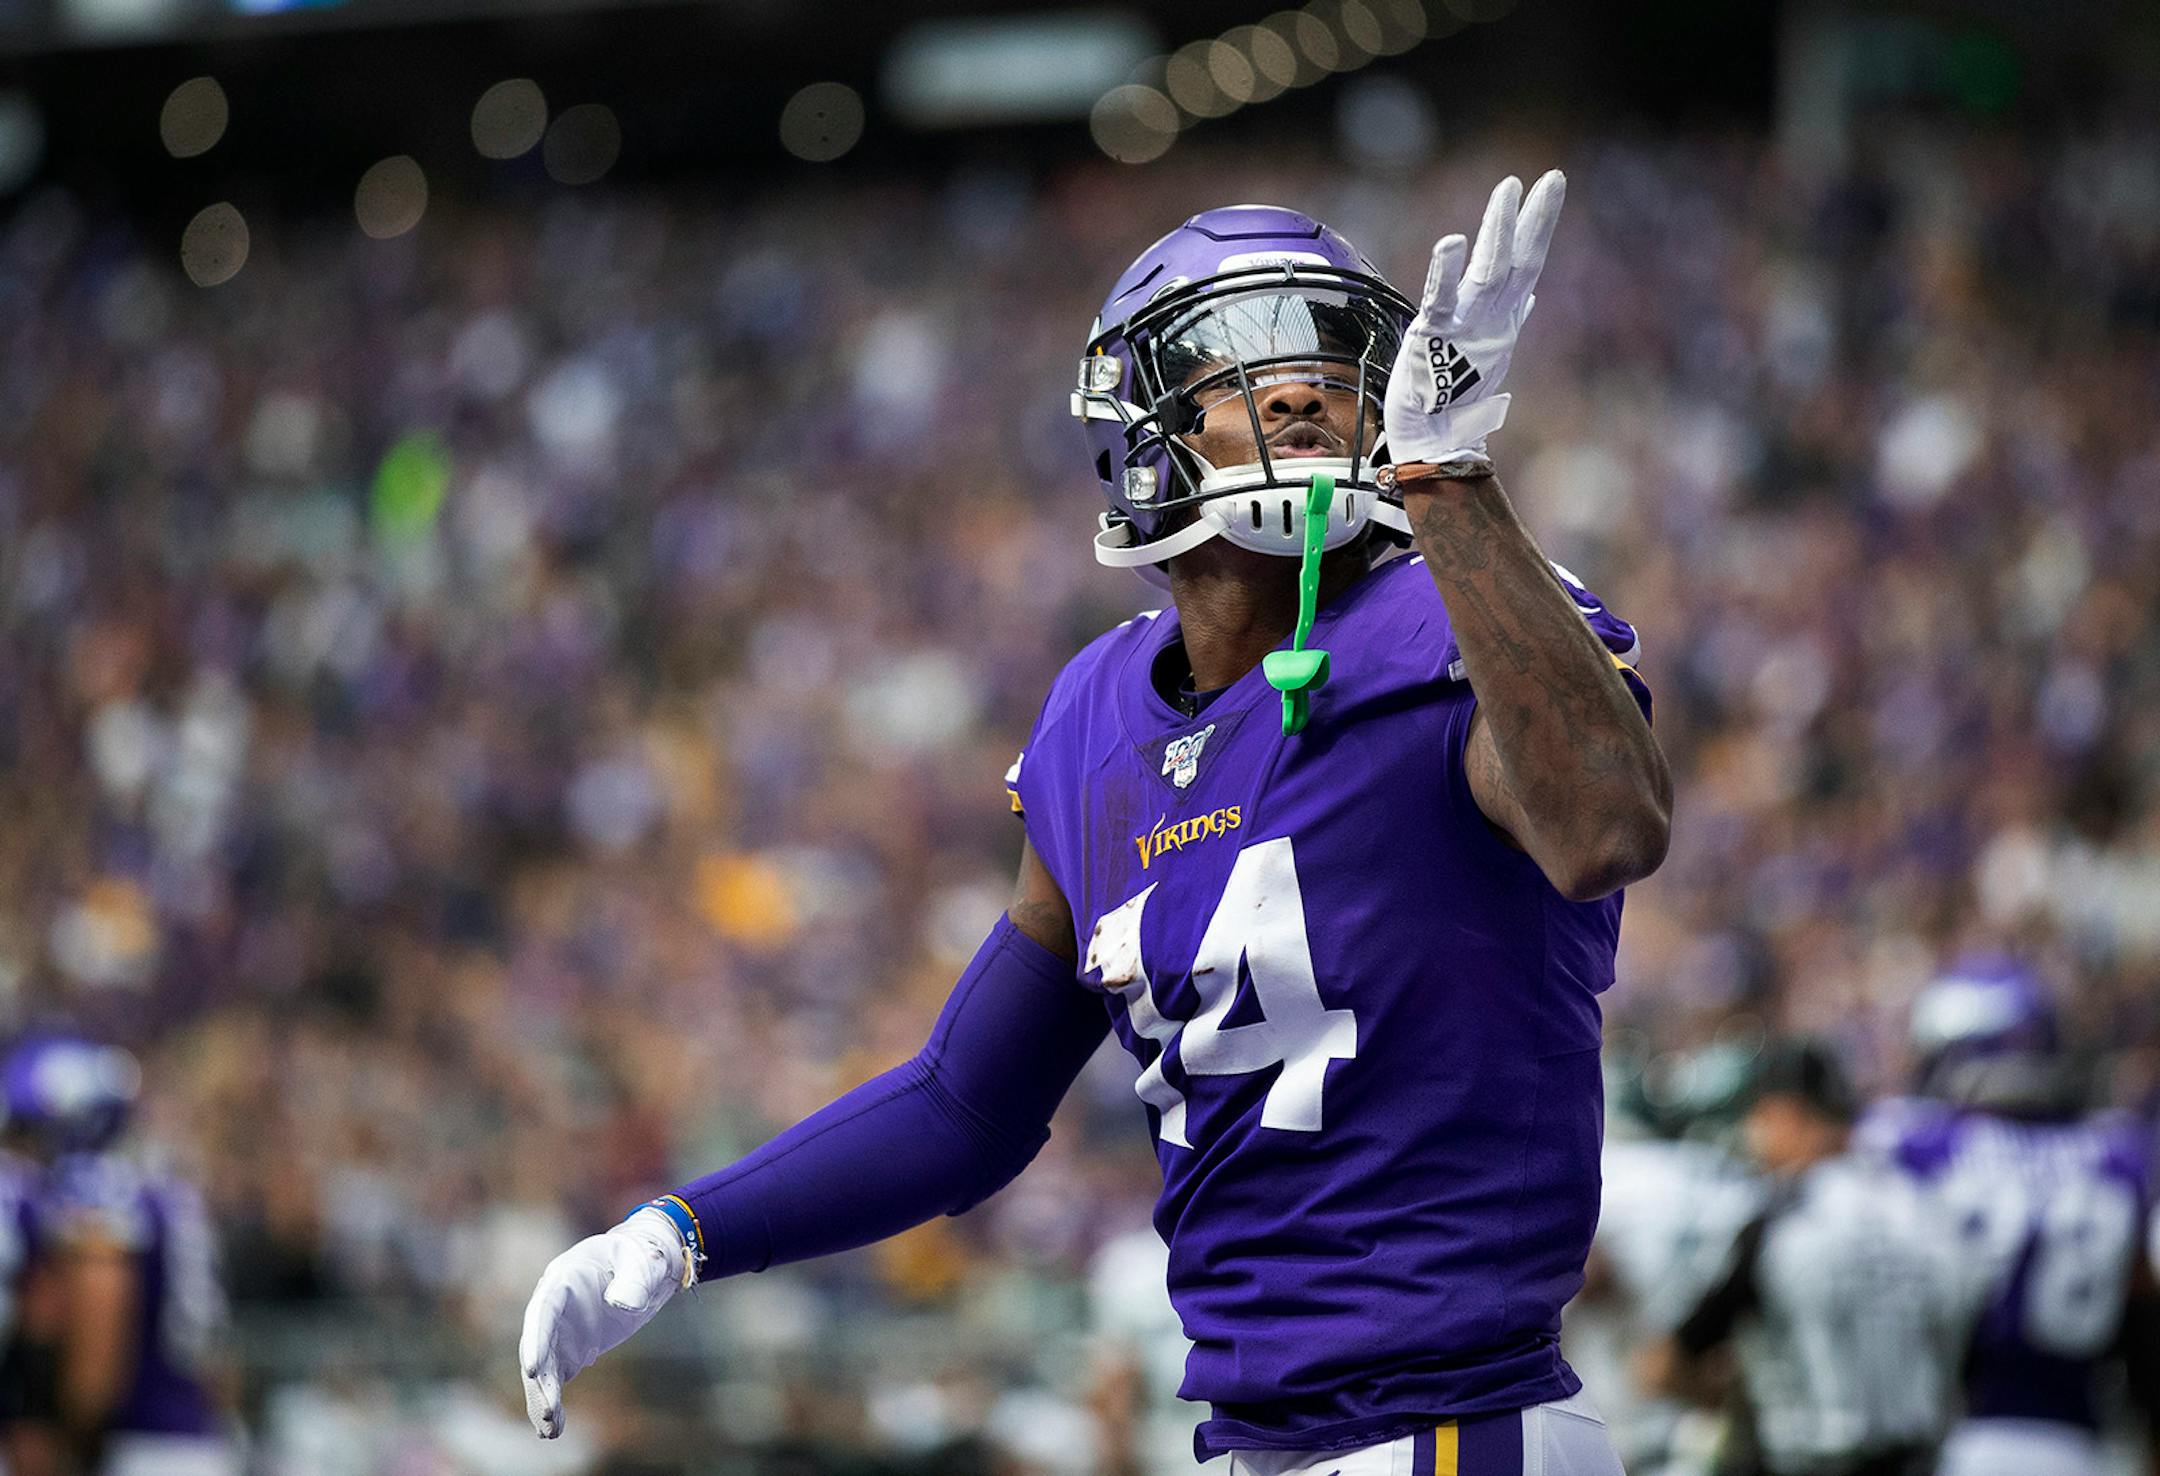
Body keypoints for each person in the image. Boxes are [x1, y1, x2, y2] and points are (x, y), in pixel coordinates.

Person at [521, 174, 1672, 1473]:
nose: (1300, 390)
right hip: (1252, 1442)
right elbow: (967, 1105)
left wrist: (1453, 486)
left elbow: (1606, 832)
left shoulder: (1466, 622)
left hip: (1459, 1427)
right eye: (1239, 362)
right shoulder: (1091, 716)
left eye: (1333, 360)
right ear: (1138, 430)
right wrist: (677, 1236)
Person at [1859, 959, 2159, 1476]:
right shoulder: (2118, 1156)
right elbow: (2143, 1316)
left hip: (1954, 1437)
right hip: (2086, 1447)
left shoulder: (1911, 1146)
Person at [1641, 1040, 1980, 1476]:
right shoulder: (1925, 1208)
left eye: (1760, 1116)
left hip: (1807, 1459)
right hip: (1924, 1460)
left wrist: (1724, 1394)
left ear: (1791, 1115)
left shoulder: (1777, 1215)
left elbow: (1660, 1366)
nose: (1752, 1133)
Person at [0, 1034, 237, 1476]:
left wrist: (74, 1432)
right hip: (187, 1432)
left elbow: (100, 1300)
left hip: (141, 1448)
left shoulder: (95, 1192)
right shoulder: (165, 1194)